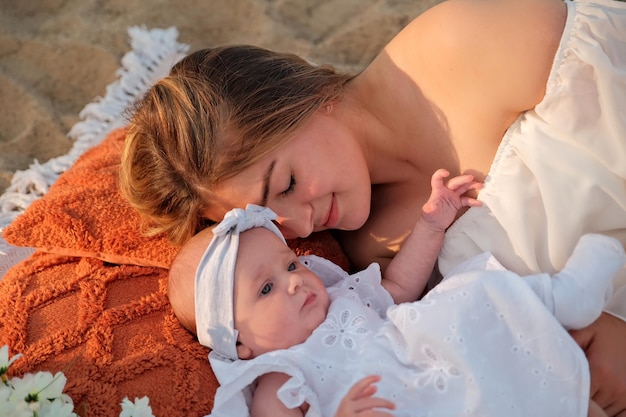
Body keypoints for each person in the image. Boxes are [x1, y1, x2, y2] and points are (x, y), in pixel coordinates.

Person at [120, 0, 626, 413]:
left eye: (288, 182)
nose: (301, 223)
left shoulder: (462, 46)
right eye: (275, 224)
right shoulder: (365, 254)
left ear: (304, 98)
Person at [168, 202, 624, 417]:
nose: (294, 280)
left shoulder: (344, 299)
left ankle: (560, 297)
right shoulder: (280, 378)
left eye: (290, 263)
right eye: (266, 288)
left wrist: (430, 224)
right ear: (240, 343)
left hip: (459, 368)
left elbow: (402, 284)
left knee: (464, 293)